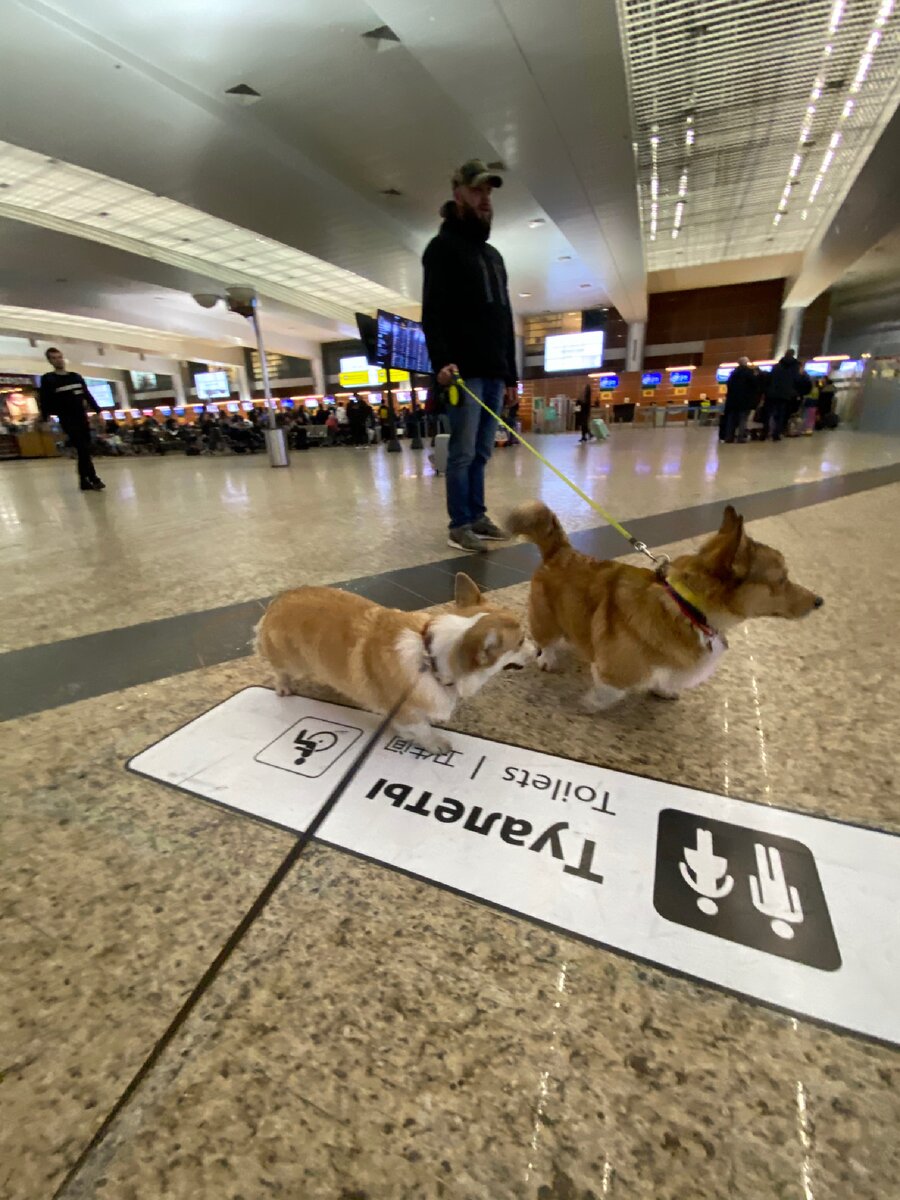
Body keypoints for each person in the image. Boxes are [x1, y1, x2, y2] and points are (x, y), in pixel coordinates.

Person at [422, 158, 517, 552]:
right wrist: (441, 362)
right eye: (478, 191)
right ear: (458, 193)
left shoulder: (493, 256)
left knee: (481, 449)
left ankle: (477, 514)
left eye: (489, 193)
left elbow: (504, 317)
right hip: (463, 371)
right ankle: (459, 524)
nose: (485, 200)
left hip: (494, 371)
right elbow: (433, 312)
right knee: (461, 451)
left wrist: (511, 376)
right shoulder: (442, 249)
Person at [38, 347, 105, 490]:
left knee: (84, 450)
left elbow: (87, 395)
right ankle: (93, 478)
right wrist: (45, 418)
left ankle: (83, 480)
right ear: (50, 361)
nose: (58, 360)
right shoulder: (49, 379)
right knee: (82, 447)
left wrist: (98, 412)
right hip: (67, 419)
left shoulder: (75, 377)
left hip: (82, 417)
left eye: (59, 357)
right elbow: (44, 400)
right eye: (54, 358)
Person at [762, 349, 801, 441]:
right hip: (785, 394)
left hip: (772, 393)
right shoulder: (795, 368)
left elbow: (769, 379)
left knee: (768, 414)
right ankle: (776, 434)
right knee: (781, 415)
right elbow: (797, 381)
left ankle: (765, 432)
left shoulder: (776, 366)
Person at [722, 357, 758, 443]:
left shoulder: (733, 373)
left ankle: (729, 437)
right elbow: (755, 386)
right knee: (743, 419)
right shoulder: (749, 373)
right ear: (746, 363)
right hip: (744, 400)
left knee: (731, 419)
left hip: (732, 400)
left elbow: (729, 386)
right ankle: (741, 437)